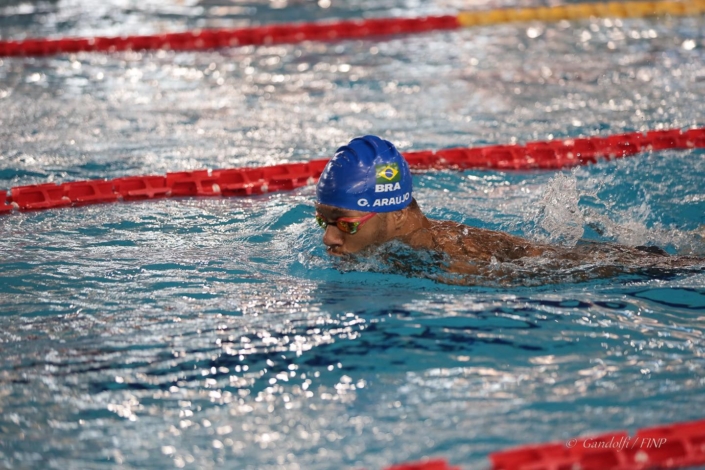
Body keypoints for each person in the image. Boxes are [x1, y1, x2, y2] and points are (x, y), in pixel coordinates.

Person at [314, 135, 704, 282]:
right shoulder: (410, 241)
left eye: (345, 224)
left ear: (398, 213)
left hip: (611, 268)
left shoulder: (439, 257)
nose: (328, 237)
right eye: (323, 221)